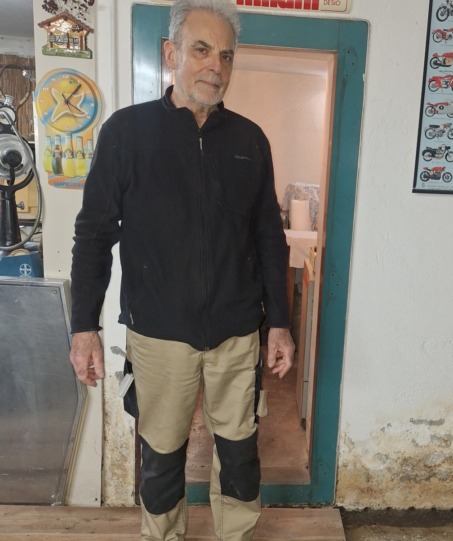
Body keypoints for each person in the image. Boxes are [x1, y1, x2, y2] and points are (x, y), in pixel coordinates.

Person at [68, 0, 295, 539]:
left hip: (236, 332)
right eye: (201, 50)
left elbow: (270, 238)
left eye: (226, 55)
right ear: (172, 54)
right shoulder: (126, 133)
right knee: (162, 453)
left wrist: (280, 323)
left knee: (240, 451)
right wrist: (84, 327)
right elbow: (93, 235)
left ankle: (236, 533)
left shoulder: (250, 141)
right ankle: (163, 534)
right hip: (158, 333)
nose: (215, 66)